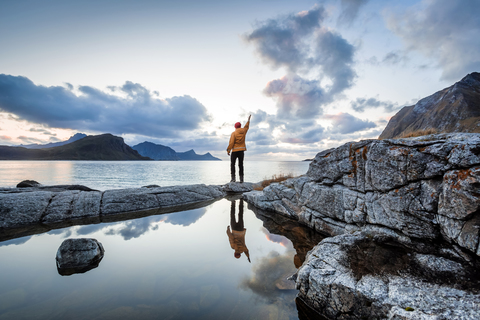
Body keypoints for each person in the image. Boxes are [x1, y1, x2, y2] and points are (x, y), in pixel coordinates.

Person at [227, 115, 251, 183]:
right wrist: (248, 120)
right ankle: (241, 179)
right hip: (241, 151)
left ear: (235, 127)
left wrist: (228, 150)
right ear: (240, 126)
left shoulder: (234, 133)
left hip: (234, 151)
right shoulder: (243, 131)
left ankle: (233, 178)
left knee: (232, 164)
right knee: (240, 165)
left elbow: (231, 143)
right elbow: (246, 127)